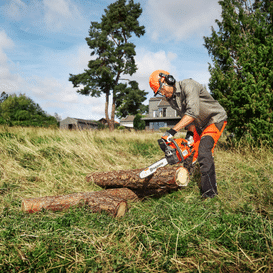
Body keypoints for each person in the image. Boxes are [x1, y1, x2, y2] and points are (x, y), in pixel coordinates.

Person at [149, 70, 227, 199]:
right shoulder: (171, 99)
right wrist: (190, 134)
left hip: (214, 119)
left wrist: (171, 132)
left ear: (169, 80)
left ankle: (210, 193)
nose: (162, 94)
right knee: (189, 152)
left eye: (161, 90)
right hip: (198, 124)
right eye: (159, 92)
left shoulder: (189, 86)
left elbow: (192, 113)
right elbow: (187, 116)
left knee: (204, 151)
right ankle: (185, 182)